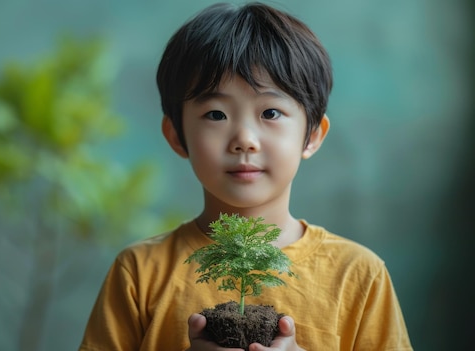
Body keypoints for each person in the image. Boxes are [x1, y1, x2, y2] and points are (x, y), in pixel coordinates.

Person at [79, 2, 412, 350]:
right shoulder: (140, 272)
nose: (244, 140)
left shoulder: (358, 275)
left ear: (312, 135)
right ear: (176, 135)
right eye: (215, 115)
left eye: (270, 112)